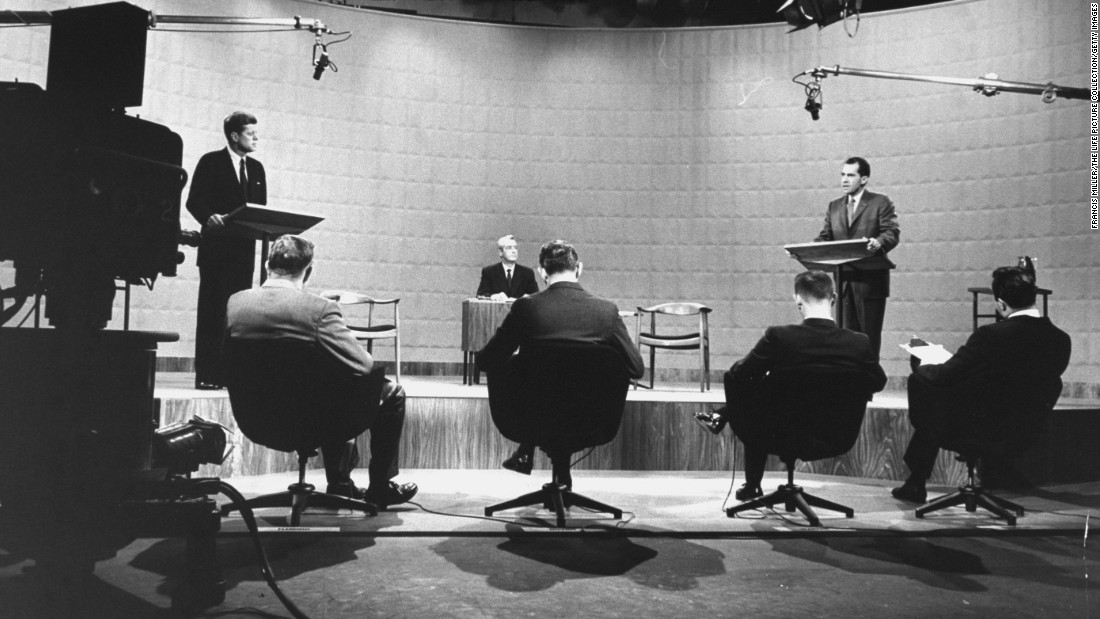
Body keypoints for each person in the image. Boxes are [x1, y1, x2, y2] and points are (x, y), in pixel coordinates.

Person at [226, 235, 418, 508]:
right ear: (309, 271)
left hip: (256, 420)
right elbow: (362, 365)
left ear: (268, 264)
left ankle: (341, 483)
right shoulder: (319, 309)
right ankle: (379, 487)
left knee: (329, 383)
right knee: (388, 391)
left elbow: (224, 363)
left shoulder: (236, 303)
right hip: (313, 421)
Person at [694, 270, 887, 500]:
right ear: (834, 298)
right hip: (835, 435)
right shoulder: (859, 343)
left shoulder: (780, 337)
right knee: (765, 391)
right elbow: (878, 381)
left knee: (757, 394)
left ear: (797, 300)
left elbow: (737, 375)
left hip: (776, 433)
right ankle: (727, 418)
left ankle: (752, 482)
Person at [891, 266, 1071, 503]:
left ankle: (916, 481)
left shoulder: (991, 335)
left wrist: (923, 366)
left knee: (930, 389)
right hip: (1021, 429)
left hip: (978, 426)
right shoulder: (1060, 340)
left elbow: (945, 376)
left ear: (1001, 304)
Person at [477, 239, 645, 476]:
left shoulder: (526, 308)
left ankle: (528, 453)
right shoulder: (606, 311)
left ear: (542, 271)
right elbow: (636, 368)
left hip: (531, 418)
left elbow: (486, 360)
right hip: (591, 420)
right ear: (579, 269)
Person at [187, 112, 267, 390]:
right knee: (212, 313)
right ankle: (207, 374)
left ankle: (231, 374)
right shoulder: (211, 162)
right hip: (216, 251)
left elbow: (260, 210)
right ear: (234, 136)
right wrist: (209, 216)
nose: (256, 137)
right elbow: (194, 201)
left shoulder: (256, 169)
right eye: (250, 133)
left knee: (237, 315)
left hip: (244, 252)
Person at [813, 156, 900, 357]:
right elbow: (825, 237)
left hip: (870, 283)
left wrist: (879, 242)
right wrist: (806, 250)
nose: (844, 180)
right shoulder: (834, 206)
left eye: (850, 175)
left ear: (864, 179)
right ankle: (848, 385)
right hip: (843, 282)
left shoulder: (880, 202)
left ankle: (868, 386)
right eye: (842, 175)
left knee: (868, 338)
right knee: (845, 339)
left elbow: (891, 232)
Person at [476, 234, 540, 301]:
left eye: (515, 248)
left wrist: (529, 297)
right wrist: (493, 296)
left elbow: (536, 296)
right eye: (509, 248)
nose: (514, 251)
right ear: (500, 252)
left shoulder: (527, 273)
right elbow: (480, 295)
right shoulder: (489, 272)